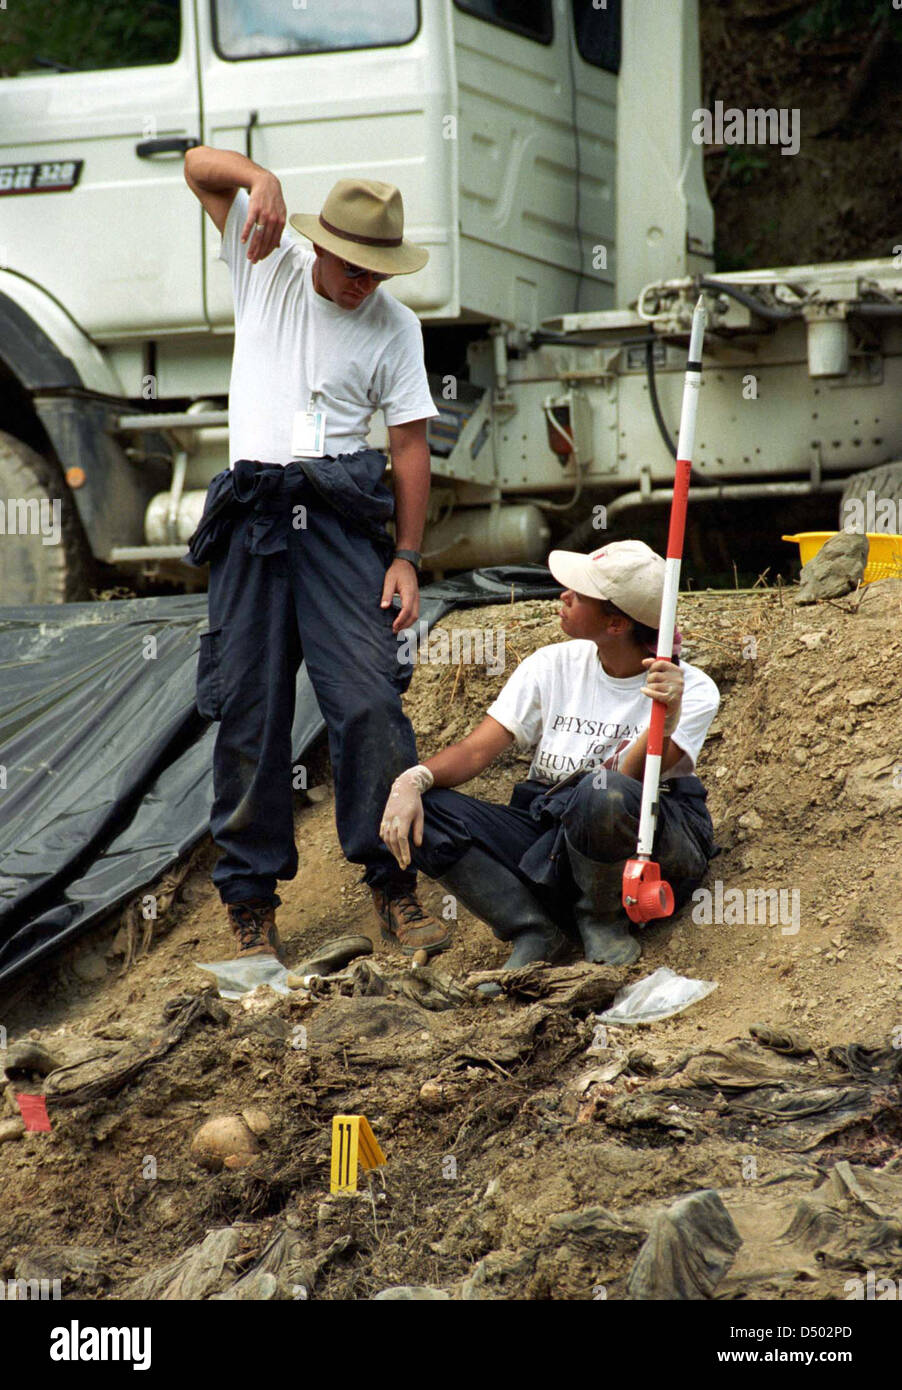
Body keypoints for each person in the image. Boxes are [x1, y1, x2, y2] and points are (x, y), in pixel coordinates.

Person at [183, 146, 450, 960]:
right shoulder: (264, 258)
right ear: (321, 247)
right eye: (354, 265)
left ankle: (394, 887)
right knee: (249, 712)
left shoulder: (396, 328)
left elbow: (410, 448)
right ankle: (251, 905)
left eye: (380, 270)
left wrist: (406, 556)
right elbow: (198, 166)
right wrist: (258, 177)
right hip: (255, 514)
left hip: (340, 520)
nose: (365, 281)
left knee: (367, 701)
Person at [379, 540, 720, 993]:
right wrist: (412, 780)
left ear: (616, 623)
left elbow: (630, 780)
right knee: (430, 809)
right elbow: (479, 750)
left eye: (578, 595)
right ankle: (535, 930)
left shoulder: (691, 690)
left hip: (649, 843)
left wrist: (667, 718)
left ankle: (602, 920)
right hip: (555, 831)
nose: (563, 596)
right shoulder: (552, 665)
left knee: (602, 790)